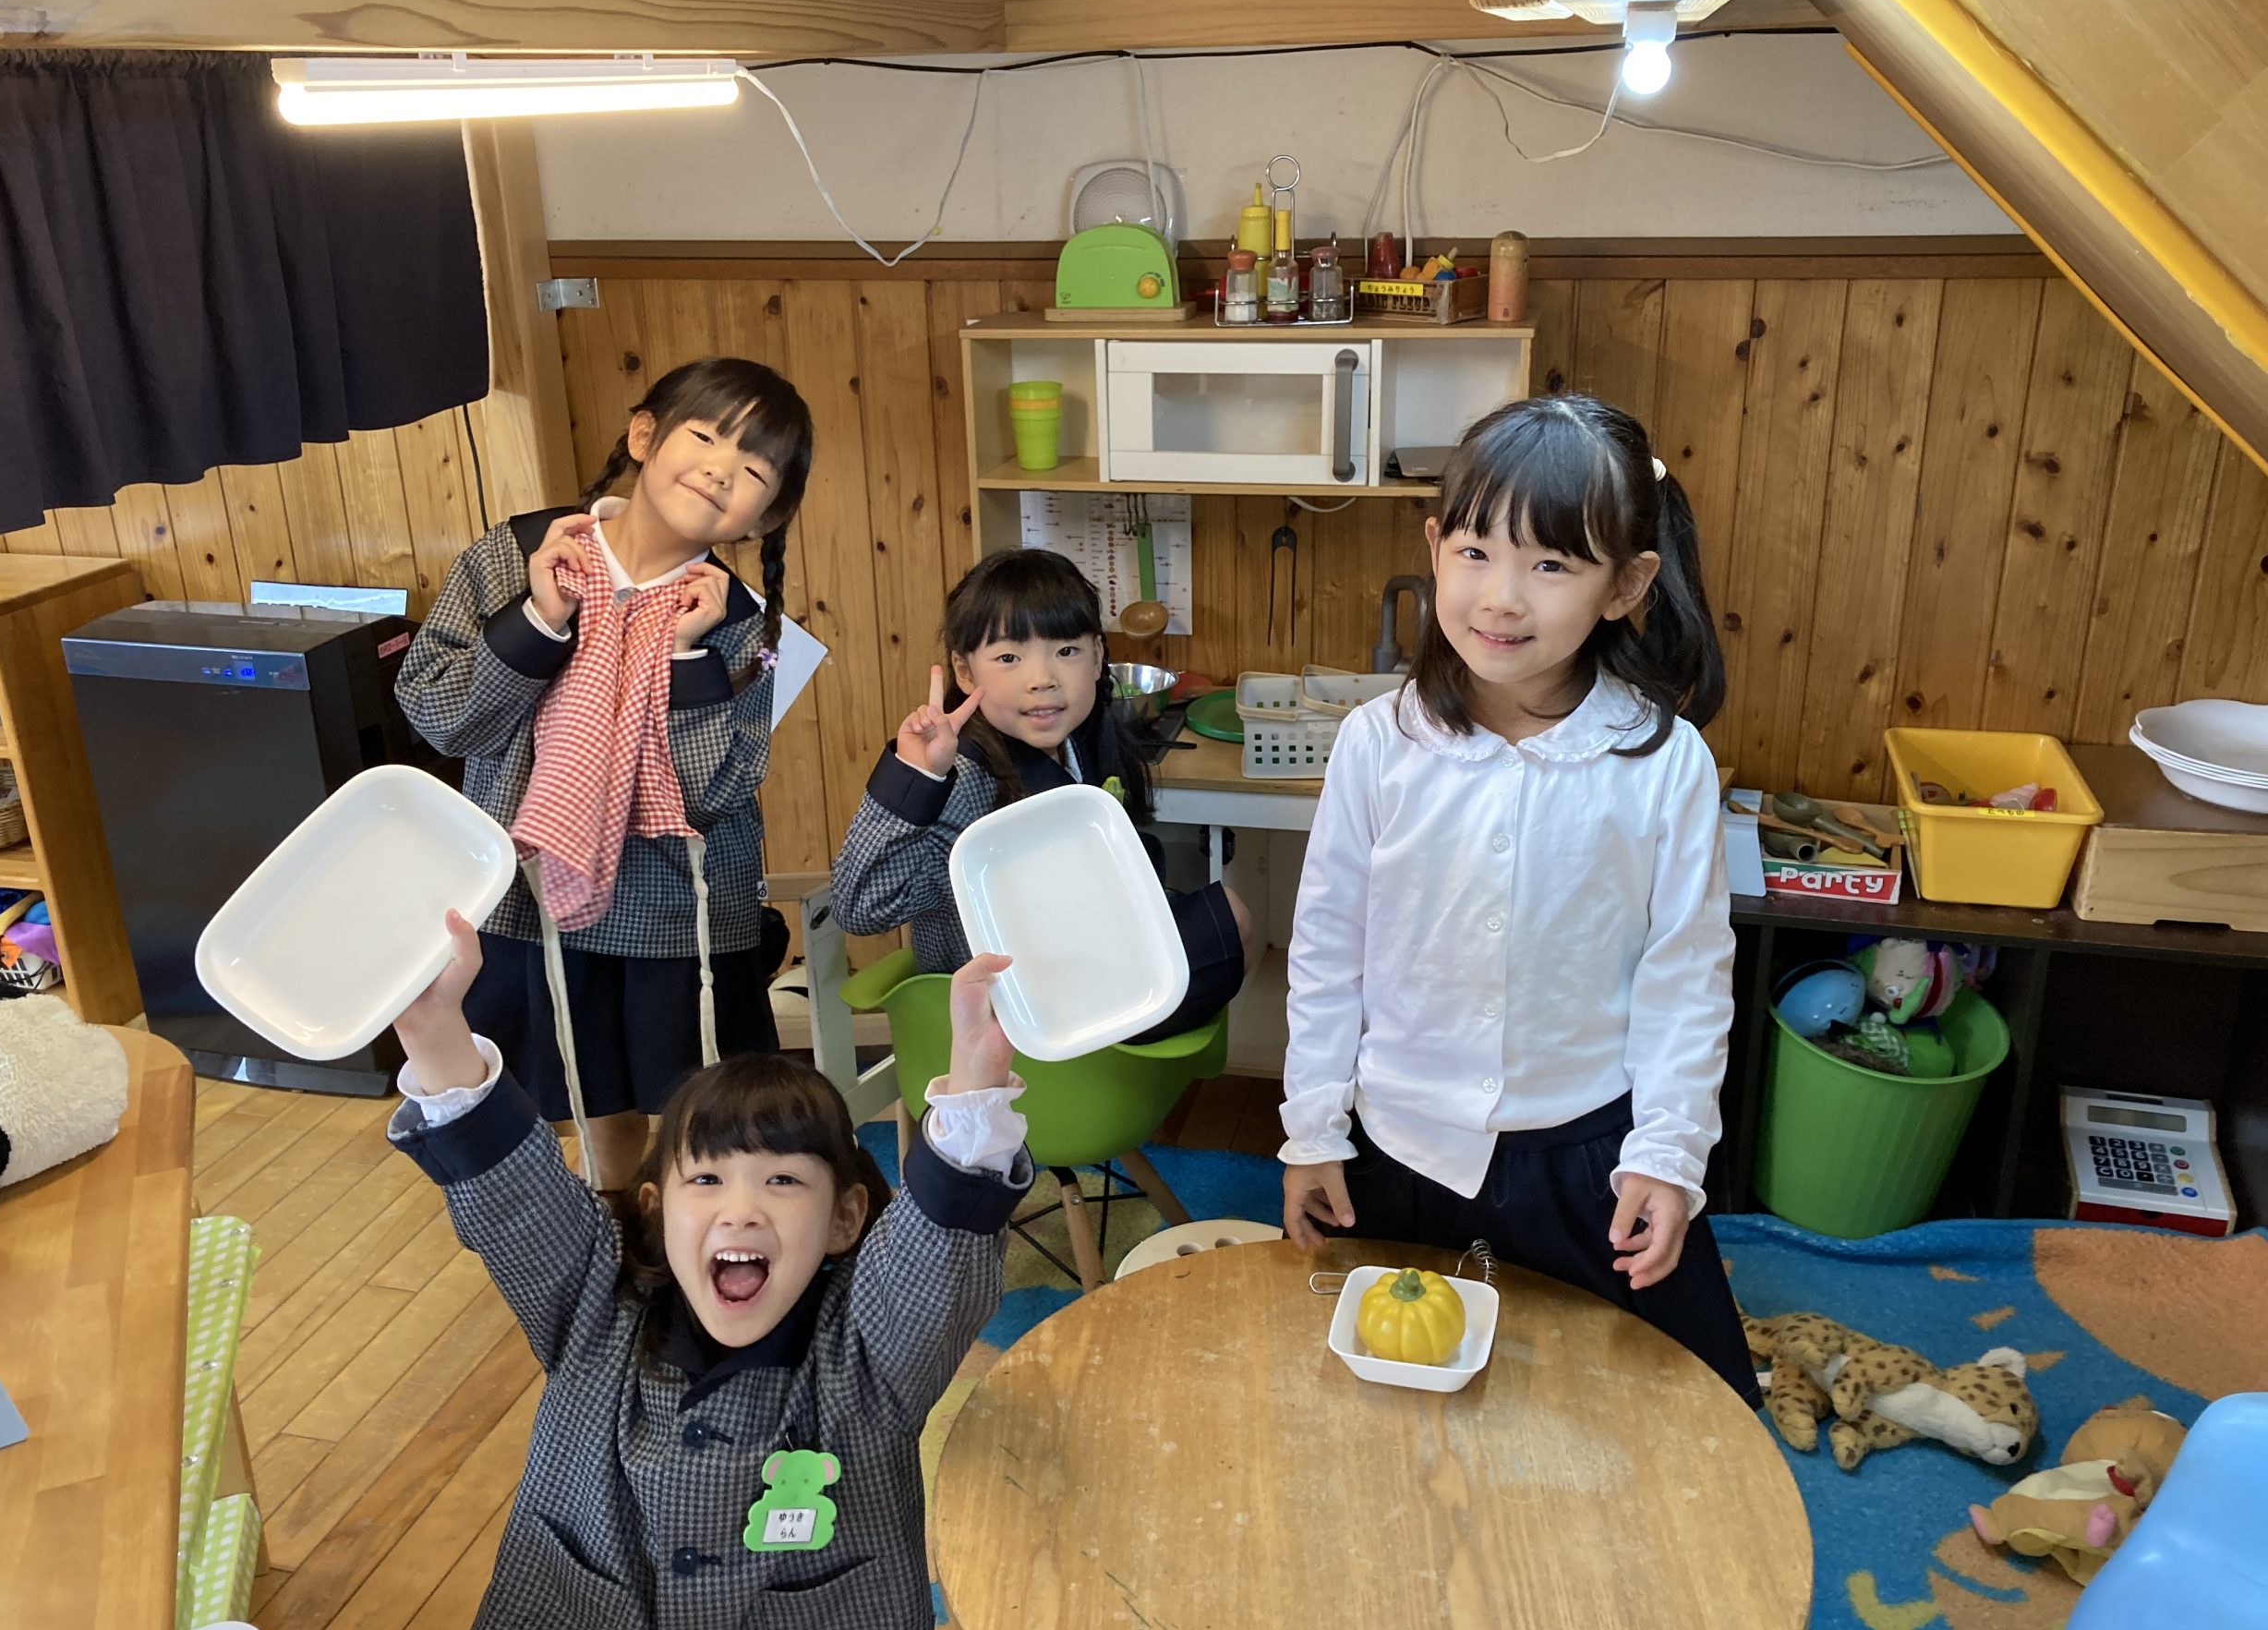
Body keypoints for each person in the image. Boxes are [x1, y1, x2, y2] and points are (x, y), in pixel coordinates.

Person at [388, 911, 1028, 1630]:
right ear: (656, 1211)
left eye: (783, 1181)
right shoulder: (596, 1308)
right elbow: (517, 1199)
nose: (742, 1210)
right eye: (706, 1180)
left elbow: (932, 1263)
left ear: (844, 1219)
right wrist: (434, 1032)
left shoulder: (868, 1356)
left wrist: (975, 1085)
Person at [1277, 394, 1758, 1405]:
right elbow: (1327, 949)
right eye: (1475, 553)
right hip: (1399, 1149)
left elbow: (1685, 978)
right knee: (1388, 1403)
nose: (1500, 599)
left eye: (1550, 566)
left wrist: (1668, 1155)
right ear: (1433, 550)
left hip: (1587, 1157)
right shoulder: (1376, 743)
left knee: (1651, 1411)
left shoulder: (1663, 761)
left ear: (1626, 585)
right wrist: (1314, 1128)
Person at [396, 358, 811, 1188]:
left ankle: (678, 1250)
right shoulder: (517, 556)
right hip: (525, 900)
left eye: (754, 469)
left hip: (679, 919)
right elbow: (436, 713)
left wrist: (687, 657)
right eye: (706, 436)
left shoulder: (750, 628)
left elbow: (713, 795)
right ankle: (603, 1245)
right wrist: (537, 621)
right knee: (577, 1115)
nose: (721, 469)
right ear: (644, 435)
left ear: (766, 515)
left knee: (705, 1127)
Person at [832, 548, 1249, 1042]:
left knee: (1230, 915)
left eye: (1066, 651)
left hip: (1085, 964)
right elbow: (860, 907)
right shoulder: (962, 778)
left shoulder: (1078, 739)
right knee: (1232, 918)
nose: (1042, 680)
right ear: (965, 672)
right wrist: (915, 777)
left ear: (1098, 656)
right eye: (1009, 658)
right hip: (1014, 1011)